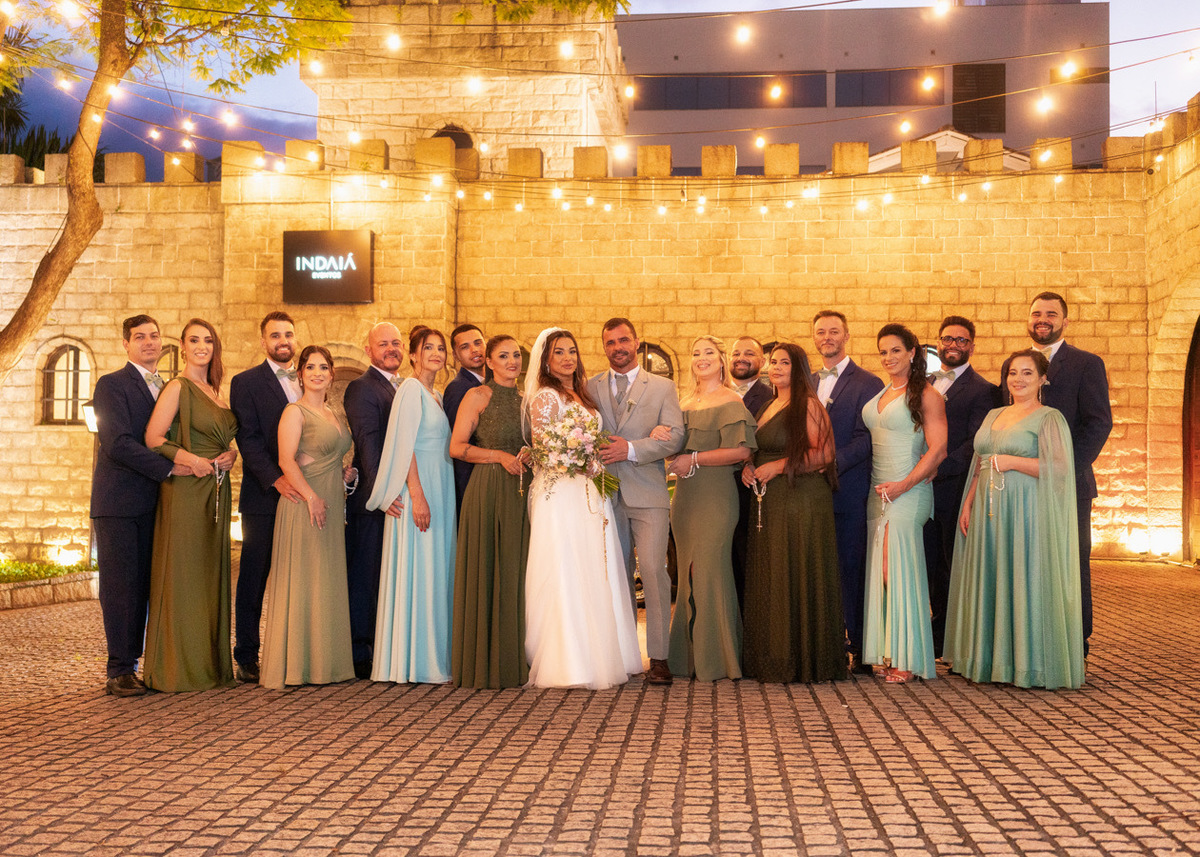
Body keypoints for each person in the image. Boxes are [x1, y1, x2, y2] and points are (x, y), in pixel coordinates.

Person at [944, 349, 1084, 689]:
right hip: (987, 510)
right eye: (1012, 373)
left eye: (1027, 373)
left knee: (1023, 578)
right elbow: (981, 463)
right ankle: (988, 660)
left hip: (1026, 512)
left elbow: (1060, 467)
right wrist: (969, 502)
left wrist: (1012, 462)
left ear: (1042, 379)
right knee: (991, 578)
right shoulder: (993, 414)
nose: (1018, 379)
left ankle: (1026, 664)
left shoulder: (1049, 418)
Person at [524, 328, 643, 689]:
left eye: (572, 351)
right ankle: (568, 661)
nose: (567, 358)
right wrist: (580, 460)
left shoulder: (583, 393)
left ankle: (604, 654)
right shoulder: (545, 397)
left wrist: (592, 461)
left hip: (591, 491)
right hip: (561, 494)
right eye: (559, 352)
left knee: (596, 567)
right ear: (546, 360)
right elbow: (544, 448)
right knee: (566, 567)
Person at [90, 314, 188, 697]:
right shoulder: (112, 384)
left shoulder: (168, 387)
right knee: (121, 587)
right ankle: (119, 669)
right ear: (126, 344)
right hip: (120, 503)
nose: (149, 342)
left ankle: (143, 663)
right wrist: (170, 467)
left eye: (154, 336)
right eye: (139, 337)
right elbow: (117, 443)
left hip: (156, 503)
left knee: (146, 586)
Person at [741, 343, 847, 683]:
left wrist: (778, 466)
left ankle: (803, 659)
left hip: (801, 500)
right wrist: (748, 466)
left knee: (796, 571)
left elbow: (824, 455)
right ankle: (772, 657)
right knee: (773, 574)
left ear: (798, 368)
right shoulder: (769, 405)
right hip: (770, 502)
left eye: (784, 363)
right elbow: (759, 449)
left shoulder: (810, 405)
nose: (776, 367)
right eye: (773, 362)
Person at [143, 318, 239, 692]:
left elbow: (221, 437)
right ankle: (177, 668)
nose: (202, 346)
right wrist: (193, 461)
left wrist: (230, 454)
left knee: (210, 575)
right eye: (194, 340)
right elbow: (153, 437)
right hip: (186, 488)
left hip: (216, 488)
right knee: (184, 574)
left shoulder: (215, 390)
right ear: (182, 347)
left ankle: (209, 665)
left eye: (208, 340)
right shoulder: (177, 387)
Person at [588, 318, 684, 685]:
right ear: (604, 346)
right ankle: (625, 655)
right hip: (603, 495)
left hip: (648, 493)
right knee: (616, 574)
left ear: (636, 342)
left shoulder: (662, 387)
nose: (618, 347)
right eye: (610, 342)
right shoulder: (590, 387)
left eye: (623, 340)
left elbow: (674, 436)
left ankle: (659, 657)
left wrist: (631, 448)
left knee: (655, 573)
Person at [258, 345, 357, 690]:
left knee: (324, 578)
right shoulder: (294, 411)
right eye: (310, 367)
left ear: (331, 374)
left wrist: (344, 475)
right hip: (304, 504)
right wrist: (311, 497)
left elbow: (328, 456)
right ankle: (297, 665)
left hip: (330, 500)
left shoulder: (333, 412)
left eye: (323, 367)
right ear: (300, 375)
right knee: (304, 579)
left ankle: (325, 664)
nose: (317, 373)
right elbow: (286, 460)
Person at [367, 327, 457, 683]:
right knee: (421, 567)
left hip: (441, 487)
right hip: (420, 490)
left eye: (440, 348)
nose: (436, 353)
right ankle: (415, 661)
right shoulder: (409, 389)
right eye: (428, 347)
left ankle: (433, 654)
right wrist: (417, 495)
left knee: (436, 569)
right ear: (414, 355)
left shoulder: (436, 395)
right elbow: (405, 446)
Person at [1025, 292, 1112, 655]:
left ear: (1065, 321)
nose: (1042, 319)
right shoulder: (1017, 364)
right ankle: (1030, 638)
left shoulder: (1086, 363)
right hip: (1022, 483)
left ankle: (1075, 643)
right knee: (1029, 561)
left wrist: (1063, 470)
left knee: (1070, 563)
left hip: (1068, 484)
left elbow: (1098, 423)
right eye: (1036, 313)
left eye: (1051, 314)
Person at [665, 335, 755, 681]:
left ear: (721, 361)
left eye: (709, 353)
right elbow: (674, 448)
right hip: (685, 498)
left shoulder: (731, 400)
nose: (701, 358)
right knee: (686, 575)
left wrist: (694, 459)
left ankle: (718, 659)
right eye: (695, 353)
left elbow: (742, 452)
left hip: (716, 497)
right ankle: (686, 659)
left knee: (711, 572)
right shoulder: (683, 402)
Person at [861, 323, 947, 683]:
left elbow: (938, 449)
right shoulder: (882, 392)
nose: (888, 357)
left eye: (895, 350)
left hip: (908, 491)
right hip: (878, 492)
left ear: (912, 353)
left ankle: (908, 659)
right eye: (883, 351)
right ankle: (889, 651)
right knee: (882, 573)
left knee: (896, 570)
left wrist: (904, 485)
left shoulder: (927, 394)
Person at [448, 334, 531, 689]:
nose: (512, 361)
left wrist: (530, 454)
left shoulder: (528, 400)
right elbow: (456, 447)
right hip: (488, 489)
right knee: (488, 568)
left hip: (522, 492)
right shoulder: (478, 395)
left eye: (517, 355)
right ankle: (484, 663)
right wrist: (498, 456)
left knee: (516, 571)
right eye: (504, 355)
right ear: (490, 362)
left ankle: (515, 658)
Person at [229, 311, 303, 684]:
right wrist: (276, 480)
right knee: (254, 578)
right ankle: (246, 656)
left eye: (288, 334)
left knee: (301, 575)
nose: (283, 341)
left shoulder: (307, 378)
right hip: (264, 497)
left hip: (306, 494)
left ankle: (296, 651)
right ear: (263, 342)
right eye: (275, 335)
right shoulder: (245, 383)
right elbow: (249, 440)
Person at [811, 310, 884, 674]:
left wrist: (829, 463)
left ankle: (859, 646)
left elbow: (867, 437)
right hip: (809, 493)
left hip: (848, 489)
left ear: (846, 335)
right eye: (821, 332)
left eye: (834, 331)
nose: (827, 337)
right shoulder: (807, 381)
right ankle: (825, 643)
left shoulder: (868, 383)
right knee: (818, 570)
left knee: (851, 569)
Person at [922, 316, 999, 659]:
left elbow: (975, 442)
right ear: (937, 343)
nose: (953, 345)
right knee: (924, 560)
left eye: (961, 340)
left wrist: (937, 468)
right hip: (917, 486)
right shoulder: (923, 383)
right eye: (947, 339)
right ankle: (929, 627)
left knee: (949, 563)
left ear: (972, 346)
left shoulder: (983, 390)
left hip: (952, 486)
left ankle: (950, 636)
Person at [343, 322, 404, 678]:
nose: (391, 349)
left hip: (396, 496)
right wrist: (384, 493)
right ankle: (359, 652)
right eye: (383, 344)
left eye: (396, 342)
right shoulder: (362, 388)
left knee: (385, 576)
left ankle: (382, 645)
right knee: (366, 576)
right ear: (369, 351)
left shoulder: (401, 387)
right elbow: (369, 444)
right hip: (374, 500)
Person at [730, 334, 772, 608]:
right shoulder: (717, 394)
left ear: (762, 361)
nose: (741, 358)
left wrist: (751, 463)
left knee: (747, 561)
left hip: (750, 490)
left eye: (749, 353)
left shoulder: (770, 397)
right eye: (736, 353)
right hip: (715, 489)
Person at [444, 323, 487, 515]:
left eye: (478, 343)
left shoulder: (492, 383)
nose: (474, 350)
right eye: (465, 347)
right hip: (472, 484)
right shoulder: (458, 389)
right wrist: (469, 493)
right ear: (455, 355)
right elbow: (459, 445)